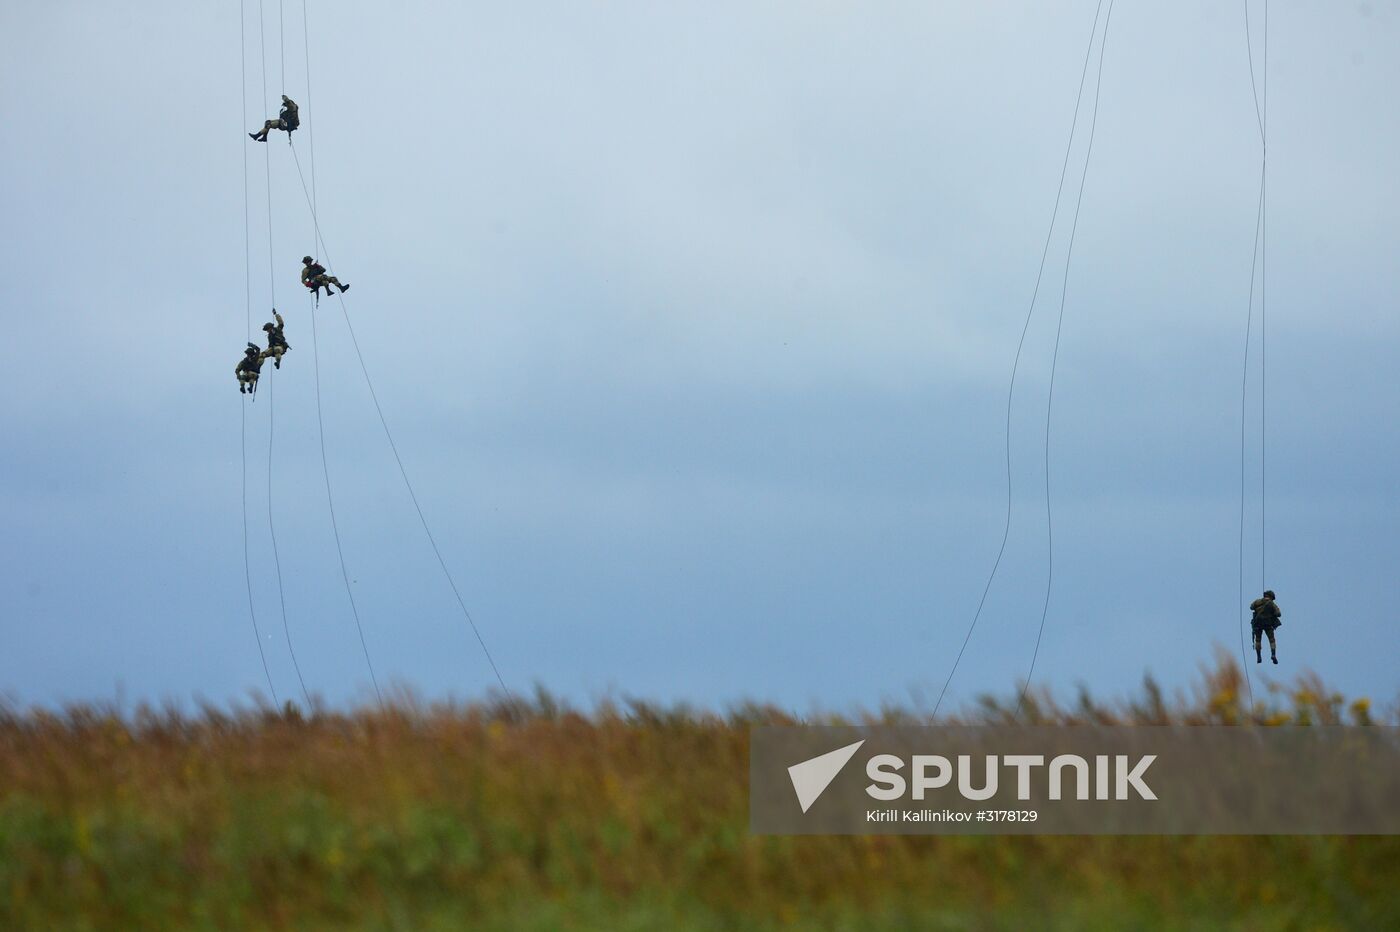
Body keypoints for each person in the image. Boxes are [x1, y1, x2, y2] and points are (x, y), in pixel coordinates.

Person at [1249, 590, 1282, 664]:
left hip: (1258, 623)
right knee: (1272, 640)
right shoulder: (1272, 604)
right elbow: (1278, 614)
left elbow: (1251, 607)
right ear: (1271, 597)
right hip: (1268, 625)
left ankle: (1258, 656)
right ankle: (1273, 655)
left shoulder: (1258, 601)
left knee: (1258, 640)